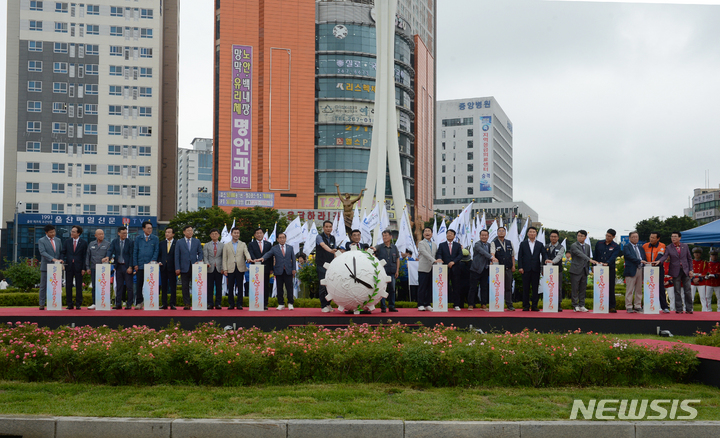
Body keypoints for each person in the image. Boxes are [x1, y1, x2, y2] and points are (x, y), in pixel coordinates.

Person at [656, 231, 694, 314]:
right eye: (672, 236)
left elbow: (689, 259)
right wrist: (659, 261)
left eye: (675, 236)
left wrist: (691, 270)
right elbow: (665, 256)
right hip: (675, 270)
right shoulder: (669, 247)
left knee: (687, 290)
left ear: (679, 238)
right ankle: (679, 309)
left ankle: (689, 308)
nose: (673, 238)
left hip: (685, 270)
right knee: (677, 290)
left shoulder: (685, 246)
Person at [261, 232, 296, 310]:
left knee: (289, 288)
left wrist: (294, 269)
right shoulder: (274, 248)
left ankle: (290, 303)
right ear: (277, 239)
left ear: (285, 238)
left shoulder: (290, 248)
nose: (282, 239)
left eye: (283, 237)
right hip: (278, 271)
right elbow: (268, 254)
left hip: (288, 270)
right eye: (280, 238)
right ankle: (281, 303)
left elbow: (293, 259)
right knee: (279, 288)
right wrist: (262, 258)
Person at [103, 226, 134, 310]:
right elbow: (110, 250)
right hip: (118, 266)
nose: (125, 235)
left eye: (126, 233)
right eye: (123, 233)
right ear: (118, 233)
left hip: (127, 266)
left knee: (129, 286)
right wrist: (107, 257)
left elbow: (132, 255)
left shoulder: (130, 242)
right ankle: (118, 304)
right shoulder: (115, 242)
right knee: (119, 286)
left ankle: (129, 304)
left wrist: (131, 266)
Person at [569, 230, 599, 312]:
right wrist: (590, 260)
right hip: (576, 270)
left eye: (582, 236)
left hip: (584, 270)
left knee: (583, 289)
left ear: (585, 237)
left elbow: (587, 256)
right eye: (578, 235)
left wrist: (589, 267)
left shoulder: (587, 246)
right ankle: (575, 305)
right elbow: (579, 254)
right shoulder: (574, 245)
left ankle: (582, 305)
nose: (580, 237)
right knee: (575, 289)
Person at [517, 227, 547, 311]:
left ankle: (534, 306)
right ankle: (526, 305)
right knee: (525, 288)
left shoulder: (540, 244)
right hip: (525, 269)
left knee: (535, 288)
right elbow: (520, 256)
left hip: (536, 269)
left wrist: (547, 261)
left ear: (536, 234)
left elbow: (544, 254)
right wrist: (520, 267)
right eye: (530, 232)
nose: (532, 233)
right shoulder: (523, 244)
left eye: (534, 232)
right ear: (527, 234)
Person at [222, 226, 252, 310]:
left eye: (237, 233)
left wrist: (248, 258)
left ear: (239, 234)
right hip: (230, 268)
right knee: (230, 286)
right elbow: (224, 258)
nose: (236, 234)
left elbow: (246, 252)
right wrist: (225, 269)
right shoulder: (226, 245)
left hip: (240, 267)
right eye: (234, 233)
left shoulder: (243, 244)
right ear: (231, 234)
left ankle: (239, 304)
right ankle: (231, 304)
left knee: (240, 286)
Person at [175, 225, 203, 310]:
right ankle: (187, 303)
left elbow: (200, 253)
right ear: (184, 232)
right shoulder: (179, 242)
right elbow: (177, 256)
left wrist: (199, 261)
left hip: (195, 268)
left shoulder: (197, 241)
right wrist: (177, 267)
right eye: (188, 230)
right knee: (185, 286)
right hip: (184, 268)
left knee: (196, 286)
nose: (190, 232)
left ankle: (196, 303)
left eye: (191, 230)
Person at [133, 221, 159, 310]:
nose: (150, 230)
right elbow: (135, 251)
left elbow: (156, 251)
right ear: (143, 229)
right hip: (140, 265)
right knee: (139, 285)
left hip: (151, 267)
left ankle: (150, 302)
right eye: (148, 228)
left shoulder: (155, 239)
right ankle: (139, 302)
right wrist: (135, 264)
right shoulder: (138, 238)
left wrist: (152, 261)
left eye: (151, 228)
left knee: (151, 285)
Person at [593, 229, 620, 313]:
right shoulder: (599, 243)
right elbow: (595, 255)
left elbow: (613, 257)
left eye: (609, 236)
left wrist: (607, 263)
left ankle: (611, 306)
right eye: (606, 235)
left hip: (609, 269)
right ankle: (599, 304)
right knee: (599, 287)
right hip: (599, 268)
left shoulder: (615, 246)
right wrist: (594, 265)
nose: (607, 237)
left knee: (610, 287)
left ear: (613, 237)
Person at [643, 232, 671, 313]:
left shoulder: (661, 245)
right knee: (647, 286)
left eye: (653, 238)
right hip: (647, 268)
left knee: (660, 287)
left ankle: (664, 306)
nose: (651, 239)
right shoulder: (645, 246)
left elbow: (660, 255)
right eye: (650, 237)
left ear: (658, 239)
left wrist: (654, 262)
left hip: (658, 268)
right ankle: (647, 305)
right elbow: (642, 256)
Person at [436, 229, 463, 311]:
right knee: (444, 287)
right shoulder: (442, 245)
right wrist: (440, 259)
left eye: (451, 234)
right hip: (444, 269)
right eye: (448, 233)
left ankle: (456, 304)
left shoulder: (457, 245)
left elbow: (460, 255)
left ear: (454, 236)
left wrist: (453, 262)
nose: (449, 235)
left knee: (456, 287)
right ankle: (444, 303)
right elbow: (439, 254)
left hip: (456, 268)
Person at [490, 226, 517, 311]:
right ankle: (497, 304)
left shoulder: (509, 242)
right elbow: (492, 254)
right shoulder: (494, 243)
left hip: (508, 268)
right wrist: (493, 259)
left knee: (508, 287)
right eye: (499, 231)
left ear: (505, 233)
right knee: (498, 287)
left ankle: (509, 305)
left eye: (503, 231)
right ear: (497, 233)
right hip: (498, 269)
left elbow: (512, 255)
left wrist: (513, 266)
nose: (501, 232)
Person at [61, 225, 88, 310]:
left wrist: (84, 268)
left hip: (79, 267)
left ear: (78, 233)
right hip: (69, 266)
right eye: (71, 231)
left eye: (73, 232)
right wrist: (61, 260)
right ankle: (69, 304)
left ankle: (78, 304)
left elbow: (85, 256)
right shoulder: (67, 242)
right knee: (68, 285)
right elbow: (63, 252)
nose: (71, 233)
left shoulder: (83, 243)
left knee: (78, 286)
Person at [38, 224, 63, 310]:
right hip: (46, 266)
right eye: (51, 232)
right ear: (46, 232)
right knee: (43, 286)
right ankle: (42, 303)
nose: (53, 233)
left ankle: (55, 302)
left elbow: (60, 252)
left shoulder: (58, 240)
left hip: (57, 268)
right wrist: (53, 259)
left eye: (54, 231)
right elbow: (42, 252)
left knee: (56, 286)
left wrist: (61, 260)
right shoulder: (41, 240)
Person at [85, 229, 111, 310]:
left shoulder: (108, 244)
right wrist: (87, 268)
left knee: (104, 286)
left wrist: (107, 258)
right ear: (95, 235)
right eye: (99, 234)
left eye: (102, 234)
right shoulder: (91, 244)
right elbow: (87, 257)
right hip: (93, 268)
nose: (101, 235)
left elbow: (110, 255)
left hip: (104, 269)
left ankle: (105, 302)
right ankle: (94, 303)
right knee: (95, 286)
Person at [375, 230, 400, 313]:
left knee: (392, 289)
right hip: (382, 273)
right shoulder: (379, 247)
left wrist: (397, 270)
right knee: (383, 289)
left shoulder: (394, 247)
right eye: (383, 236)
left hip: (392, 271)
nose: (384, 237)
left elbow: (397, 259)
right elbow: (374, 253)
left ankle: (392, 306)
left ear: (390, 237)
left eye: (386, 236)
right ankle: (383, 306)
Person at [316, 220, 338, 313]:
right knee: (323, 285)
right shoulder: (319, 237)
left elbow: (335, 251)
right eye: (327, 227)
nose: (328, 228)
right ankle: (323, 305)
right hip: (321, 265)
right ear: (323, 228)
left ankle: (328, 304)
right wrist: (331, 251)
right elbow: (323, 245)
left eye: (330, 227)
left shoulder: (333, 238)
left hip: (331, 265)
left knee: (330, 285)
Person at [248, 228, 272, 310]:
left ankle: (265, 304)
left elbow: (270, 257)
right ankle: (255, 302)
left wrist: (271, 268)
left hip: (266, 268)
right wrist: (256, 261)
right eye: (257, 233)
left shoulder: (268, 244)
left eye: (260, 233)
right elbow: (250, 253)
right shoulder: (251, 244)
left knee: (265, 286)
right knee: (255, 286)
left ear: (263, 234)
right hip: (255, 269)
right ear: (255, 235)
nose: (259, 235)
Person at [623, 232, 647, 313]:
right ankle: (629, 306)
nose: (635, 238)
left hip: (640, 269)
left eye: (636, 237)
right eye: (633, 237)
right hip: (631, 270)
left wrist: (644, 263)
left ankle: (637, 305)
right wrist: (639, 260)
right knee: (630, 289)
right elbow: (629, 256)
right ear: (629, 238)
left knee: (639, 289)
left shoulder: (640, 248)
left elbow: (644, 257)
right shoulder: (626, 247)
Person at [469, 229, 492, 310]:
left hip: (485, 269)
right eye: (482, 235)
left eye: (486, 235)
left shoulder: (490, 245)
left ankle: (483, 304)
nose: (484, 237)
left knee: (484, 287)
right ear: (480, 236)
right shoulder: (477, 244)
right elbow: (483, 252)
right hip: (476, 269)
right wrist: (492, 257)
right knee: (473, 287)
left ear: (488, 236)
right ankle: (471, 304)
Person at [416, 227, 438, 311]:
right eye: (425, 231)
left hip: (432, 268)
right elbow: (425, 253)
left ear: (432, 234)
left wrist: (438, 261)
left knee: (430, 287)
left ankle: (427, 304)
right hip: (423, 268)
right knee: (422, 287)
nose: (427, 232)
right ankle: (420, 304)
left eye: (429, 231)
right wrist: (434, 260)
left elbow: (436, 254)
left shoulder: (435, 245)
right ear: (423, 234)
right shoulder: (421, 243)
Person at [203, 228, 224, 309]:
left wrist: (223, 267)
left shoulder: (223, 245)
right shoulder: (206, 245)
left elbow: (223, 257)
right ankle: (210, 303)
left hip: (219, 268)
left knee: (219, 287)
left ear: (219, 235)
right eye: (212, 234)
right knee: (209, 287)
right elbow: (205, 256)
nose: (214, 235)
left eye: (216, 233)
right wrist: (207, 263)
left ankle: (218, 303)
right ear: (210, 235)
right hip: (209, 268)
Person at [544, 230, 565, 312]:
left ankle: (558, 304)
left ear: (558, 238)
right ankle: (548, 303)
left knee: (558, 288)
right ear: (549, 237)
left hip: (557, 270)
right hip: (547, 271)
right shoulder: (546, 246)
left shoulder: (561, 247)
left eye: (555, 236)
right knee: (547, 287)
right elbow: (543, 258)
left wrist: (552, 262)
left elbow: (559, 257)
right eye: (552, 236)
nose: (553, 238)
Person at [158, 227, 177, 310]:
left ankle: (172, 303)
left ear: (173, 234)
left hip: (173, 268)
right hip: (163, 267)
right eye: (166, 232)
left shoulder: (177, 243)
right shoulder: (161, 243)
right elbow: (159, 254)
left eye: (169, 232)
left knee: (173, 287)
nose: (167, 234)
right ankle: (164, 304)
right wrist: (159, 261)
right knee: (164, 287)